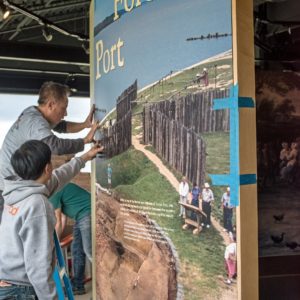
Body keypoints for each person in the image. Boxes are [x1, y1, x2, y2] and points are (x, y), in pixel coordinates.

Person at [0, 140, 102, 299]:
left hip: (6, 281)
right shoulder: (37, 204)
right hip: (21, 290)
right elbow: (38, 268)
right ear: (47, 167)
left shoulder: (15, 192)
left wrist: (85, 157)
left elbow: (60, 175)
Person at [0, 81, 98, 222]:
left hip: (11, 185)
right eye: (64, 108)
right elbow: (54, 146)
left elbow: (61, 126)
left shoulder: (32, 112)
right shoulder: (35, 122)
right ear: (51, 105)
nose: (65, 113)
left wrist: (84, 125)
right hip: (8, 192)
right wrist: (84, 141)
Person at [49, 183, 92, 295]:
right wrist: (57, 243)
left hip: (88, 212)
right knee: (77, 250)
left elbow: (57, 222)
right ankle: (78, 285)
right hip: (80, 217)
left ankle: (102, 284)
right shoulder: (56, 190)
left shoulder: (53, 191)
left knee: (89, 250)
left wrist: (53, 244)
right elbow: (63, 220)